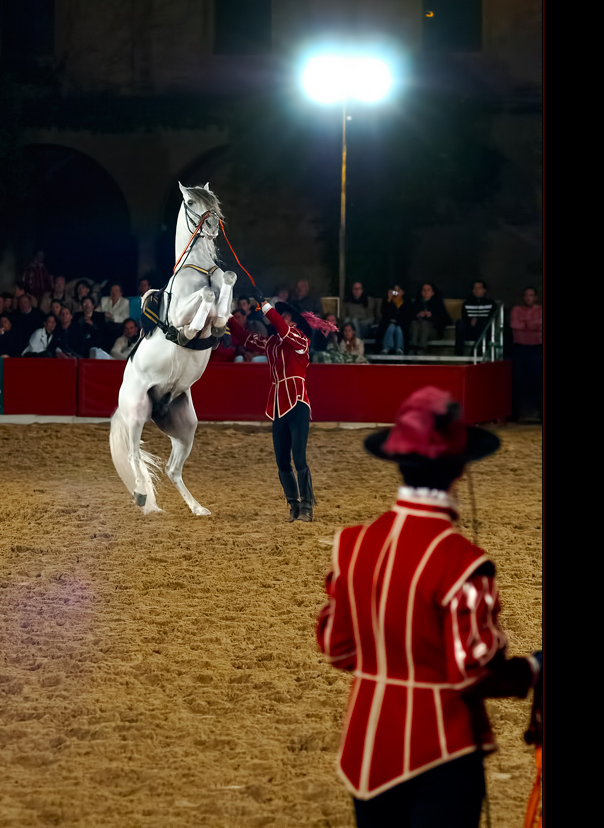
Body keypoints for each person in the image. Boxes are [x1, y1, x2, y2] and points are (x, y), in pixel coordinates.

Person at [317, 387, 541, 828]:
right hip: (441, 750)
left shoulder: (352, 544)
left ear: (397, 463)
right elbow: (473, 672)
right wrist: (533, 670)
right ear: (460, 470)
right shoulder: (463, 563)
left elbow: (336, 648)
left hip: (366, 747)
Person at [227, 295, 331, 522]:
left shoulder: (301, 341)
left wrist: (266, 307)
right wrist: (226, 316)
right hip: (277, 405)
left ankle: (307, 506)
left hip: (297, 404)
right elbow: (245, 337)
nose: (282, 320)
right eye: (281, 316)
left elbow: (282, 329)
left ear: (295, 324)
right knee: (282, 460)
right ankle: (294, 504)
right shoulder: (273, 343)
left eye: (286, 318)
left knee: (299, 457)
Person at [509, 286, 542, 421]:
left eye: (531, 295)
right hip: (520, 348)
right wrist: (533, 325)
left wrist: (525, 324)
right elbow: (514, 325)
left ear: (536, 297)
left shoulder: (541, 310)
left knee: (540, 381)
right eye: (526, 295)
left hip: (537, 348)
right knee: (517, 381)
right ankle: (516, 414)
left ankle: (540, 412)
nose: (528, 298)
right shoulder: (516, 310)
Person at [455, 280, 496, 356]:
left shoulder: (491, 303)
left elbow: (491, 319)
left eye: (479, 288)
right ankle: (458, 352)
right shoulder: (467, 303)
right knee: (460, 323)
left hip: (483, 330)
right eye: (475, 288)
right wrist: (470, 321)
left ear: (484, 290)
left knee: (483, 326)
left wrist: (478, 320)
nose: (477, 290)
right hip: (470, 329)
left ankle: (475, 353)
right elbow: (464, 317)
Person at [408, 282, 449, 355]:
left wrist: (431, 315)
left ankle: (422, 348)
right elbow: (409, 317)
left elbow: (445, 320)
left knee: (425, 324)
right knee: (414, 323)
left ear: (433, 292)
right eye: (424, 290)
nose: (426, 292)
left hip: (433, 331)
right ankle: (413, 347)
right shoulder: (416, 303)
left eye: (428, 290)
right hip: (417, 330)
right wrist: (418, 315)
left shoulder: (438, 304)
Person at [377, 284, 413, 355]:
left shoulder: (407, 302)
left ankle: (399, 348)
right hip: (388, 323)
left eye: (398, 290)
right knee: (391, 327)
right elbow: (384, 313)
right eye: (394, 290)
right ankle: (387, 347)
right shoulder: (388, 300)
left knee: (398, 328)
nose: (395, 292)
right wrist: (389, 300)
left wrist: (398, 321)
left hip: (402, 324)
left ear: (402, 292)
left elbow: (407, 316)